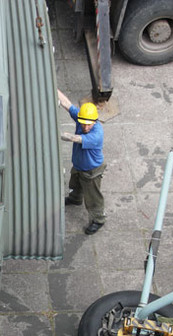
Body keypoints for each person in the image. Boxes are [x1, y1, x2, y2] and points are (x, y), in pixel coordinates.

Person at [57, 89, 106, 235]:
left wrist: (56, 133)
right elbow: (67, 104)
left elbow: (75, 138)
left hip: (92, 170)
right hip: (79, 165)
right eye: (83, 123)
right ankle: (75, 198)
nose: (85, 127)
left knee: (93, 196)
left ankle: (98, 219)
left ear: (95, 121)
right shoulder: (81, 117)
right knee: (75, 183)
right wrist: (54, 89)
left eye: (88, 125)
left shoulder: (96, 134)